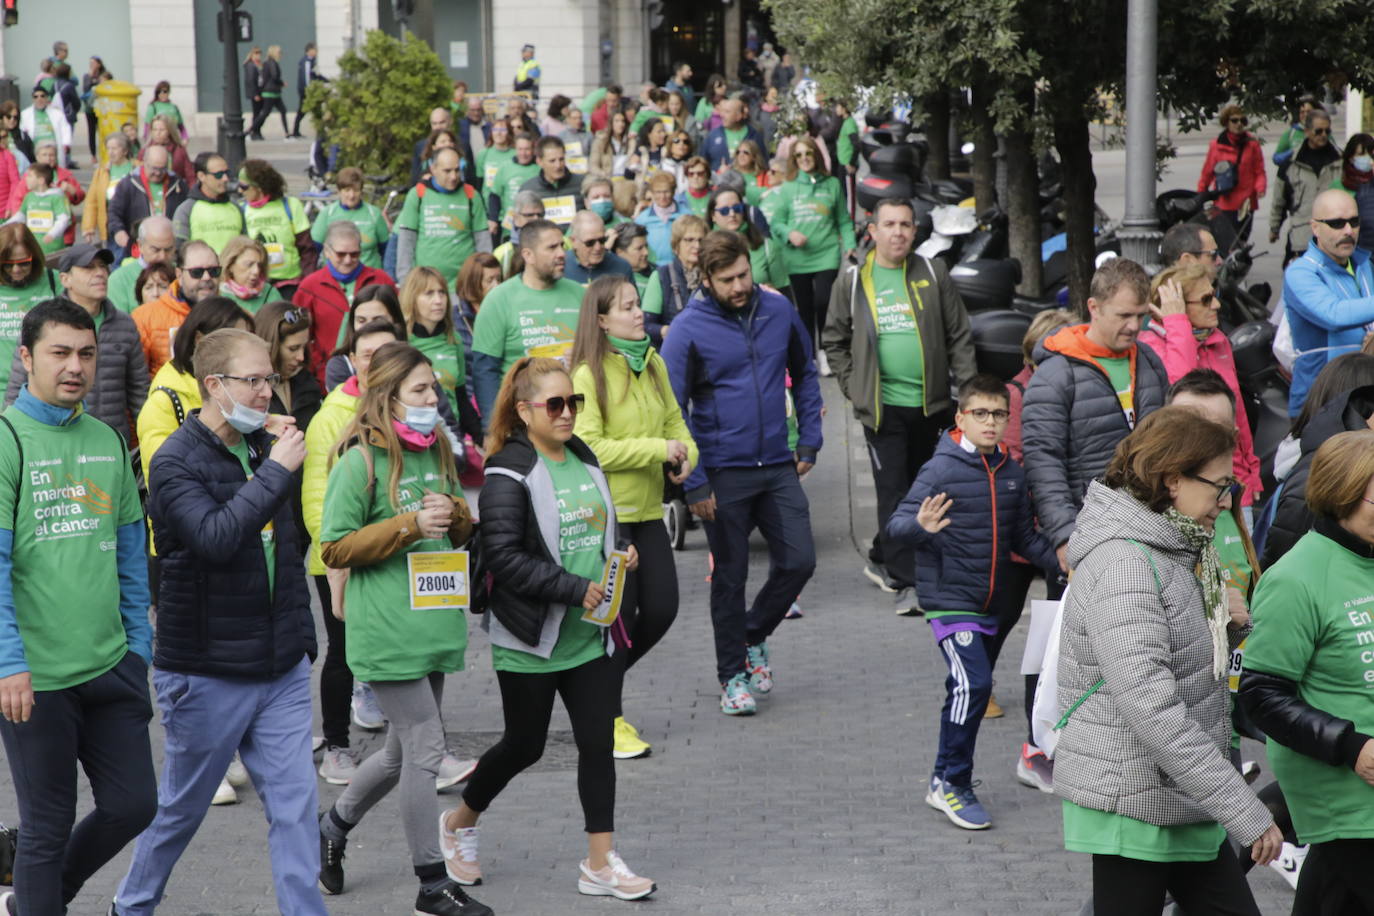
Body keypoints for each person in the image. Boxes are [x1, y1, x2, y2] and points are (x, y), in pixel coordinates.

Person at [113, 329, 327, 916]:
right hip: (208, 670)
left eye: (270, 380)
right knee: (181, 809)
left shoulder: (265, 444)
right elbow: (215, 539)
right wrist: (276, 473)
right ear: (215, 385)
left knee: (295, 807)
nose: (267, 393)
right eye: (254, 381)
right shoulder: (175, 460)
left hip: (279, 666)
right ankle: (130, 906)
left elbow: (285, 551)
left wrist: (302, 641)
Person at [438, 355, 655, 901]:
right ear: (524, 409)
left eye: (573, 403)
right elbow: (506, 559)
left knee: (596, 744)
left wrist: (621, 551)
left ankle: (600, 862)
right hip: (533, 637)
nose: (567, 414)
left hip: (593, 635)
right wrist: (571, 587)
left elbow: (607, 518)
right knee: (525, 744)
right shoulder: (507, 470)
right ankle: (460, 820)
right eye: (555, 404)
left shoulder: (584, 454)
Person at [1055, 406, 1281, 913]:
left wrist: (1226, 625)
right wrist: (1243, 808)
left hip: (1175, 793)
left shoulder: (1169, 547)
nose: (1224, 504)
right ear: (1172, 479)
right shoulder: (1127, 563)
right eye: (1218, 486)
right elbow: (1152, 708)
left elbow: (1180, 657)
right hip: (1133, 797)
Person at [313, 342, 489, 916]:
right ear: (386, 397)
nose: (432, 399)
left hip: (434, 623)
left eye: (434, 389)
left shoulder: (436, 445)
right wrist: (408, 524)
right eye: (419, 391)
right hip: (386, 628)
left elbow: (459, 530)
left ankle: (331, 826)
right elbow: (334, 545)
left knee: (398, 752)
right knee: (427, 747)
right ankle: (431, 884)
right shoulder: (358, 461)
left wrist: (454, 514)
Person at [0, 299, 155, 915]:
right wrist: (10, 662)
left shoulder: (108, 439)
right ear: (26, 357)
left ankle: (40, 899)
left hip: (111, 664)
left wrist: (138, 647)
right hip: (35, 679)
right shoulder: (8, 439)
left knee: (134, 804)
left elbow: (130, 558)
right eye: (59, 353)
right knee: (46, 826)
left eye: (86, 354)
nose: (75, 367)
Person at [885, 374, 1060, 829]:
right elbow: (896, 527)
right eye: (980, 413)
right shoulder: (941, 469)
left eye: (999, 414)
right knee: (973, 686)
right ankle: (955, 784)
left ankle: (941, 778)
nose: (990, 422)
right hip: (949, 599)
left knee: (965, 688)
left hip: (994, 605)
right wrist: (920, 526)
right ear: (961, 418)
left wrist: (1067, 560)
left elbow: (1024, 538)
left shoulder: (1012, 473)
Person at [662, 230, 822, 715]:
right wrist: (694, 482)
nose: (739, 286)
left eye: (744, 274)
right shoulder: (688, 328)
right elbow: (673, 410)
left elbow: (807, 370)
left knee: (800, 561)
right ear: (706, 279)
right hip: (722, 470)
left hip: (776, 462)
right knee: (729, 578)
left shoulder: (777, 311)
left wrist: (809, 436)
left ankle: (752, 635)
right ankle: (732, 676)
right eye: (728, 279)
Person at [1241, 429, 1374, 914]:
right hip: (1345, 787)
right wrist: (1351, 746)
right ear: (1342, 494)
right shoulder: (1296, 578)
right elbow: (1261, 695)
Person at [823, 197, 978, 610]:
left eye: (905, 225)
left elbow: (958, 335)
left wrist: (968, 397)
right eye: (889, 224)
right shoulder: (854, 280)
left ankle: (881, 551)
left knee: (926, 487)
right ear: (872, 230)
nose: (898, 232)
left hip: (932, 406)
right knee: (894, 491)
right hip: (882, 408)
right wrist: (854, 388)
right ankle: (907, 580)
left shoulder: (932, 271)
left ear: (915, 231)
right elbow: (834, 340)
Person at [569, 276, 697, 759]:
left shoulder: (653, 362)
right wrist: (657, 450)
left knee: (662, 609)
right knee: (618, 622)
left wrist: (687, 458)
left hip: (647, 510)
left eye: (637, 304)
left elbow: (676, 425)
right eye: (626, 307)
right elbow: (591, 448)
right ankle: (609, 718)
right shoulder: (587, 374)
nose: (638, 312)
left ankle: (593, 687)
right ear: (601, 320)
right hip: (609, 517)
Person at [1022, 257, 1170, 573]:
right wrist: (1064, 536)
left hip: (1148, 528)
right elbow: (1043, 461)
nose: (1134, 326)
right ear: (1094, 307)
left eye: (1141, 316)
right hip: (1087, 534)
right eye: (1124, 315)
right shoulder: (1055, 375)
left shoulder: (1149, 360)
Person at [303, 319, 398, 776]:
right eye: (367, 353)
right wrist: (335, 558)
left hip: (390, 553)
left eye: (387, 351)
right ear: (353, 361)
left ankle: (412, 741)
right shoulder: (332, 416)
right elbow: (317, 496)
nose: (377, 361)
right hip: (340, 558)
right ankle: (337, 745)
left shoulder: (406, 411)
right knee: (342, 651)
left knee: (393, 644)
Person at [1141, 264, 1261, 512]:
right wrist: (1176, 323)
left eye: (1214, 296)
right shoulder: (1149, 346)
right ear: (1176, 306)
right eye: (1206, 300)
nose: (1216, 305)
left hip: (1235, 479)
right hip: (1194, 484)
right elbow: (1184, 395)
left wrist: (1251, 471)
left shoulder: (1218, 341)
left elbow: (1237, 412)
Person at [3, 244, 149, 443]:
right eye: (88, 267)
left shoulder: (124, 325)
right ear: (65, 279)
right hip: (50, 444)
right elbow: (16, 389)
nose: (100, 273)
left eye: (103, 266)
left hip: (109, 442)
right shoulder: (41, 323)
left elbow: (139, 391)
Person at [471, 218, 585, 421]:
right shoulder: (499, 299)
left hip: (577, 412)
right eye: (552, 247)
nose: (561, 253)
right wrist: (491, 428)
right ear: (528, 255)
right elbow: (485, 371)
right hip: (522, 420)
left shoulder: (580, 294)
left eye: (562, 246)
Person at [765, 135, 857, 365]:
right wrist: (790, 234)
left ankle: (826, 350)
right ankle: (809, 355)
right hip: (797, 258)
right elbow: (776, 223)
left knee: (823, 301)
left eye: (808, 153)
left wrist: (851, 245)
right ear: (793, 160)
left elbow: (843, 220)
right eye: (799, 155)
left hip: (826, 253)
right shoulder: (787, 188)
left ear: (816, 154)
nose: (804, 158)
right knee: (804, 307)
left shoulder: (833, 184)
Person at [1283, 188, 1374, 416]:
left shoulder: (1364, 263)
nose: (1348, 230)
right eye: (1337, 223)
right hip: (1320, 403)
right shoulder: (1300, 272)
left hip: (1363, 395)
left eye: (1354, 222)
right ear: (1315, 227)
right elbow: (1334, 315)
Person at [295, 221, 395, 385]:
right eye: (341, 254)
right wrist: (318, 365)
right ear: (327, 251)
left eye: (354, 254)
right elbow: (301, 335)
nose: (348, 260)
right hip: (327, 377)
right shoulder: (309, 286)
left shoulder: (381, 280)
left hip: (382, 374)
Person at [399, 266, 481, 441]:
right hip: (412, 435)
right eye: (429, 293)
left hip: (450, 434)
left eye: (442, 293)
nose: (438, 300)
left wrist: (483, 437)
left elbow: (461, 399)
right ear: (412, 298)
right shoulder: (400, 341)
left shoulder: (454, 339)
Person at [395, 147, 490, 286]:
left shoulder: (472, 195)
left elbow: (483, 243)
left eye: (457, 170)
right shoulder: (417, 194)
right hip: (426, 284)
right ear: (433, 169)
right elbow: (406, 242)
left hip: (464, 284)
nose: (453, 176)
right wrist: (405, 282)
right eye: (447, 171)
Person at [133, 240, 224, 375]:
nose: (206, 277)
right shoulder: (144, 317)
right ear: (179, 275)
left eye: (213, 271)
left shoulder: (233, 315)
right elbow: (136, 378)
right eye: (197, 272)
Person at [1270, 108, 1343, 264]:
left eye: (1327, 131)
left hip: (1334, 237)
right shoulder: (1291, 164)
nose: (1324, 135)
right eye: (1319, 131)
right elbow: (1279, 198)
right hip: (1302, 236)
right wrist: (1274, 227)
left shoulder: (1341, 161)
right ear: (1307, 132)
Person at [239, 158, 315, 292]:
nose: (240, 191)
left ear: (259, 187)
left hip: (290, 284)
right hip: (256, 285)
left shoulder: (290, 205)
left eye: (244, 186)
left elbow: (307, 248)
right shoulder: (242, 210)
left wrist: (307, 283)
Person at [706, 186, 788, 298]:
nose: (732, 214)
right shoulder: (704, 249)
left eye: (737, 208)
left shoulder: (766, 245)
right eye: (724, 211)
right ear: (713, 216)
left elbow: (782, 291)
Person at [106, 144, 187, 256]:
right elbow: (114, 212)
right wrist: (118, 231)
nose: (158, 173)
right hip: (137, 248)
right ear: (144, 162)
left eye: (162, 169)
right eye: (154, 168)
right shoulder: (128, 184)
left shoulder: (178, 184)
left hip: (168, 248)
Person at [1198, 105, 1267, 234]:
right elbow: (1207, 173)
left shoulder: (1252, 145)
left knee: (1241, 241)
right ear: (1226, 122)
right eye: (1234, 120)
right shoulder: (1216, 145)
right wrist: (1200, 195)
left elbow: (1259, 171)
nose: (1239, 124)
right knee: (1226, 242)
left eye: (1242, 120)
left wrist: (1260, 188)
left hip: (1246, 203)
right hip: (1224, 201)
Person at [640, 214, 706, 346]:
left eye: (701, 240)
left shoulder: (712, 274)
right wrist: (665, 330)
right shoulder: (661, 275)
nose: (697, 245)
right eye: (689, 240)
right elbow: (646, 325)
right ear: (676, 245)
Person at [308, 167, 390, 270]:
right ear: (339, 191)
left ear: (361, 191)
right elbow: (313, 250)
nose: (351, 195)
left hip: (369, 278)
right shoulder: (327, 214)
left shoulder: (374, 214)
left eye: (356, 190)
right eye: (347, 190)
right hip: (335, 277)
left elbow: (387, 251)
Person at [171, 151, 244, 254]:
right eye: (218, 175)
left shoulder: (236, 207)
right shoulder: (186, 209)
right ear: (201, 176)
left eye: (227, 173)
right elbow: (179, 250)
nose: (225, 178)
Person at [107, 215, 177, 313]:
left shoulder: (181, 273)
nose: (162, 256)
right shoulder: (119, 280)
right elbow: (119, 324)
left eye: (168, 250)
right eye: (155, 250)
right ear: (140, 245)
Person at [518, 136, 582, 231]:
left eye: (561, 159)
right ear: (539, 161)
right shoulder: (528, 189)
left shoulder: (581, 184)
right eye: (552, 161)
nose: (558, 165)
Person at [81, 133, 135, 246]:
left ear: (125, 151)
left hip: (134, 223)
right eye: (108, 148)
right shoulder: (102, 172)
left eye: (114, 148)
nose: (110, 152)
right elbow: (91, 201)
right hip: (111, 225)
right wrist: (88, 227)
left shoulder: (136, 168)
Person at [454, 252, 502, 371]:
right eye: (490, 280)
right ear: (473, 283)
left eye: (499, 279)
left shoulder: (506, 311)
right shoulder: (454, 317)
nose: (497, 285)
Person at [6, 163, 68, 255]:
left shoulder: (56, 198)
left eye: (30, 176)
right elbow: (20, 216)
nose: (26, 178)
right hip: (32, 246)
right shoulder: (29, 197)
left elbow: (63, 219)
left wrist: (52, 234)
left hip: (52, 247)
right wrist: (5, 226)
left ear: (41, 180)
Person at [564, 210, 633, 285]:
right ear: (573, 241)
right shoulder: (561, 267)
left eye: (602, 240)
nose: (598, 247)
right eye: (590, 243)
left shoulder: (621, 268)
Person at [634, 172, 688, 266]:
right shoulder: (642, 220)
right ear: (652, 192)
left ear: (673, 191)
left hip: (680, 267)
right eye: (658, 192)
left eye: (666, 192)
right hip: (652, 268)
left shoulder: (686, 216)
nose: (662, 197)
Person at [1332, 132, 1374, 253]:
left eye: (1371, 155)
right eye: (1362, 154)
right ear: (1351, 157)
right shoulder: (1338, 186)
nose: (1368, 159)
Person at [703, 97, 764, 174]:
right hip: (718, 183)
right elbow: (703, 161)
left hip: (748, 183)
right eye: (722, 111)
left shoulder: (754, 135)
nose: (722, 115)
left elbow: (762, 163)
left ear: (738, 116)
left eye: (727, 112)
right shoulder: (712, 135)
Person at [490, 191, 544, 277]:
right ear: (515, 217)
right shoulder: (502, 253)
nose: (536, 219)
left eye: (540, 215)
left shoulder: (559, 244)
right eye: (529, 215)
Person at [217, 235, 274, 314]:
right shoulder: (217, 293)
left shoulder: (270, 292)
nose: (256, 271)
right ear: (230, 265)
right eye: (249, 264)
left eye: (259, 265)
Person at [20, 85, 71, 171]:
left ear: (47, 98)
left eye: (42, 96)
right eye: (36, 96)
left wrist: (66, 143)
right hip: (35, 149)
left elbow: (65, 128)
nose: (39, 99)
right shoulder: (25, 114)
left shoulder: (57, 113)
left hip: (53, 149)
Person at [248, 45, 290, 140]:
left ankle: (287, 133)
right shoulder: (272, 63)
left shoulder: (267, 63)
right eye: (279, 52)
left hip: (272, 91)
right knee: (265, 113)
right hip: (271, 92)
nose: (280, 54)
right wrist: (281, 83)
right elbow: (274, 76)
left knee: (279, 111)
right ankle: (250, 130)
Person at [144, 114, 194, 186]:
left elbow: (190, 176)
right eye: (154, 129)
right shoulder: (145, 150)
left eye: (162, 130)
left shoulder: (179, 151)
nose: (158, 133)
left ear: (169, 131)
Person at [291, 42, 327, 139]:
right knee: (303, 111)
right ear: (310, 50)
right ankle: (295, 132)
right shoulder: (306, 61)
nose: (316, 52)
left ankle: (320, 131)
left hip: (309, 91)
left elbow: (316, 75)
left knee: (315, 110)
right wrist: (308, 90)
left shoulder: (312, 61)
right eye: (315, 50)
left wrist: (327, 80)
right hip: (306, 91)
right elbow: (306, 77)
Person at [410, 108, 454, 186]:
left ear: (450, 122)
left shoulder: (462, 145)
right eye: (434, 123)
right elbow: (415, 178)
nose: (438, 127)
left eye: (442, 122)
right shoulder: (420, 146)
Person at [81, 56, 110, 161]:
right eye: (90, 63)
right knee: (91, 131)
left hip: (103, 108)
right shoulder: (86, 76)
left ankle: (106, 151)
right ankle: (93, 155)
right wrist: (91, 76)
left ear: (99, 64)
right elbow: (85, 89)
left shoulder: (105, 75)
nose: (91, 65)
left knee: (104, 130)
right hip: (90, 109)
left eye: (93, 63)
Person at [612, 223, 651, 299]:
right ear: (620, 252)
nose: (646, 252)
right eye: (639, 248)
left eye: (646, 246)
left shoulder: (658, 273)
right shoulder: (612, 281)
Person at [590, 110, 634, 179]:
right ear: (611, 123)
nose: (621, 124)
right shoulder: (600, 142)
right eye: (617, 121)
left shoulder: (631, 142)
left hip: (626, 181)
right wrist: (603, 174)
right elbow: (593, 165)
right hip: (608, 180)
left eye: (623, 121)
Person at [476, 117, 514, 191]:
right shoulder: (483, 154)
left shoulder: (515, 154)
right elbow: (479, 182)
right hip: (488, 199)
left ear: (509, 133)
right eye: (495, 130)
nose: (498, 133)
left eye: (503, 130)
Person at [243, 47, 264, 138]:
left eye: (259, 54)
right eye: (256, 54)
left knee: (259, 112)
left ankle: (256, 130)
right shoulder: (250, 65)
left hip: (260, 90)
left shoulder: (259, 65)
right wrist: (255, 94)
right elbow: (251, 80)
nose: (258, 56)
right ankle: (254, 131)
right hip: (255, 92)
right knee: (256, 112)